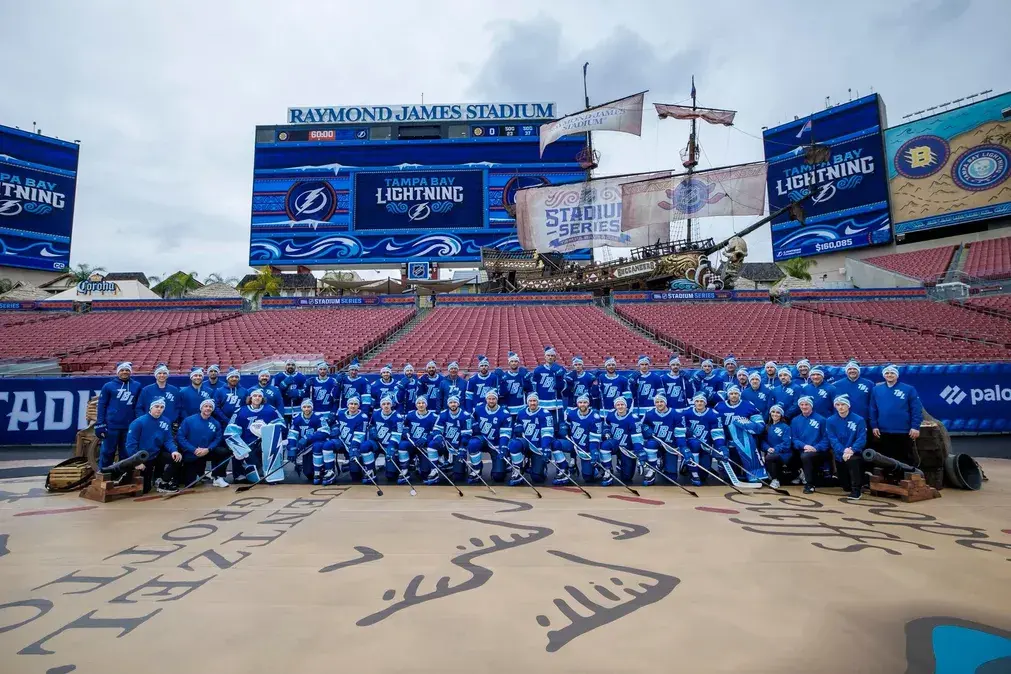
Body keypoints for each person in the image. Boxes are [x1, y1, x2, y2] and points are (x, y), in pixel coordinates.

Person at [224, 388, 286, 484]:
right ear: (250, 398)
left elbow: (281, 424)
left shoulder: (270, 409)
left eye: (260, 396)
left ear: (262, 398)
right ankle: (240, 474)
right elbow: (230, 430)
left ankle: (272, 474)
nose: (257, 398)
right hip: (247, 442)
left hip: (265, 442)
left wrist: (267, 429)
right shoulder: (241, 411)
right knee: (239, 454)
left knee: (273, 449)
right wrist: (238, 447)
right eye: (255, 396)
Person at [869, 365, 923, 467]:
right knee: (886, 459)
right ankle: (889, 480)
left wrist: (915, 427)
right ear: (884, 375)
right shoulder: (876, 390)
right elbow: (873, 409)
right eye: (887, 373)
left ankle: (904, 479)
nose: (889, 375)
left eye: (892, 373)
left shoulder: (908, 389)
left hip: (903, 430)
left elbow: (916, 409)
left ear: (897, 375)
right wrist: (874, 425)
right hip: (883, 431)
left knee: (904, 458)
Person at [124, 398, 179, 493]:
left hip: (156, 454)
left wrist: (174, 450)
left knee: (177, 458)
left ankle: (163, 482)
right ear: (151, 407)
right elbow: (130, 444)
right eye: (156, 406)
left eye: (162, 407)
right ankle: (151, 480)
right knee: (145, 490)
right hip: (142, 458)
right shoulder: (138, 422)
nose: (159, 409)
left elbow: (168, 439)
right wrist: (137, 462)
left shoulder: (166, 421)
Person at [96, 362, 144, 470]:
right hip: (111, 425)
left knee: (126, 454)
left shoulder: (137, 386)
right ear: (118, 372)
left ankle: (123, 477)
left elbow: (139, 406)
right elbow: (101, 405)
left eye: (127, 370)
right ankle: (103, 475)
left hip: (129, 426)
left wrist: (139, 422)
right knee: (107, 452)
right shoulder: (108, 386)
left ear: (130, 372)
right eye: (122, 370)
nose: (124, 372)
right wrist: (100, 424)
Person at [715, 385, 767, 483]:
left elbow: (760, 426)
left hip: (745, 441)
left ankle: (755, 474)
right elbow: (715, 425)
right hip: (728, 441)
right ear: (728, 395)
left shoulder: (748, 405)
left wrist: (750, 425)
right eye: (731, 394)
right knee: (730, 475)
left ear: (739, 395)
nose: (733, 396)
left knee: (750, 463)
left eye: (736, 394)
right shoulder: (719, 406)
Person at [176, 399, 228, 488]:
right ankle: (192, 474)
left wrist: (208, 449)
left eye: (210, 407)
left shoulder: (216, 423)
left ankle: (217, 477)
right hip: (192, 454)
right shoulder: (189, 420)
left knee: (224, 452)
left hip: (206, 452)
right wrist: (194, 449)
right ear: (201, 408)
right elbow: (180, 437)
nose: (208, 408)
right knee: (190, 484)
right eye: (206, 406)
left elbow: (217, 439)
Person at [554, 394, 602, 485]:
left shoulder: (595, 417)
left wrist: (593, 451)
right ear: (577, 403)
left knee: (588, 478)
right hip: (573, 443)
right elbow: (566, 424)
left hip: (586, 448)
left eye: (584, 402)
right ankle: (564, 468)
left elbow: (594, 439)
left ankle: (597, 467)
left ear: (588, 403)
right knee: (555, 444)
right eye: (580, 402)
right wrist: (564, 428)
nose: (582, 404)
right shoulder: (572, 413)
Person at [508, 392, 555, 485]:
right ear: (527, 402)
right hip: (525, 443)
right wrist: (517, 429)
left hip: (538, 446)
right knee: (514, 444)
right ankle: (518, 470)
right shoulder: (521, 413)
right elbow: (516, 431)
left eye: (534, 401)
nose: (532, 403)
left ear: (538, 402)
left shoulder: (545, 414)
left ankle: (540, 466)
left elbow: (547, 434)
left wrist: (545, 448)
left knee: (537, 477)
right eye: (530, 401)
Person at [826, 395, 867, 500]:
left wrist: (852, 450)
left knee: (853, 462)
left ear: (848, 406)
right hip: (840, 454)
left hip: (854, 453)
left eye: (843, 404)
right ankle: (859, 481)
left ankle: (856, 490)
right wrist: (843, 450)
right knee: (845, 486)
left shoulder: (859, 420)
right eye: (838, 405)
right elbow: (832, 439)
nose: (841, 407)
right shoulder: (830, 420)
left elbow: (861, 438)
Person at [682, 393, 727, 486]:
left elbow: (717, 434)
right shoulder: (686, 412)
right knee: (695, 444)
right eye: (697, 401)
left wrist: (720, 446)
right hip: (691, 445)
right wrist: (685, 430)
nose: (699, 403)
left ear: (705, 403)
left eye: (702, 401)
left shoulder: (713, 414)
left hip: (706, 446)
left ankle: (697, 469)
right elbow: (678, 429)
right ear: (694, 402)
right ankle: (689, 466)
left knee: (703, 475)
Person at [469, 389, 512, 483]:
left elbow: (505, 434)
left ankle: (505, 464)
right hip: (482, 440)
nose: (491, 401)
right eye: (489, 398)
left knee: (498, 477)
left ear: (497, 399)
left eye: (493, 399)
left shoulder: (504, 413)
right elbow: (469, 417)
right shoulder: (479, 408)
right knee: (473, 443)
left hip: (496, 444)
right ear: (486, 399)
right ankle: (477, 469)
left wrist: (503, 448)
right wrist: (473, 424)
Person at [640, 393, 684, 486]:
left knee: (671, 477)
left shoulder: (676, 414)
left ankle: (662, 462)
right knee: (650, 444)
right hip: (655, 442)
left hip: (670, 445)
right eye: (657, 402)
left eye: (661, 401)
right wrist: (645, 428)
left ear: (665, 402)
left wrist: (682, 446)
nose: (659, 404)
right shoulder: (649, 414)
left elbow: (680, 433)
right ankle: (652, 468)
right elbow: (640, 426)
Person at [790, 396, 829, 494]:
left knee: (806, 456)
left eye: (806, 404)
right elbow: (794, 438)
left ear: (811, 406)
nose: (804, 407)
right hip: (801, 449)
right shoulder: (795, 420)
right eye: (802, 405)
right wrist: (804, 446)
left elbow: (826, 438)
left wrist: (816, 448)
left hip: (818, 451)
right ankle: (799, 475)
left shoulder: (821, 420)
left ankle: (810, 484)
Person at [288, 399, 333, 484]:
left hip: (318, 444)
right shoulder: (297, 418)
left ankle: (324, 469)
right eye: (304, 407)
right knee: (308, 473)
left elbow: (325, 432)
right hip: (305, 447)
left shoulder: (319, 417)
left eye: (308, 407)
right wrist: (292, 448)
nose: (306, 409)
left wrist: (307, 438)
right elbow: (292, 434)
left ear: (312, 407)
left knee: (318, 447)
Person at [430, 395, 472, 482]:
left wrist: (462, 447)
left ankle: (460, 466)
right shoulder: (443, 414)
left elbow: (466, 434)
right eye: (451, 402)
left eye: (455, 402)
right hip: (446, 444)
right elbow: (436, 429)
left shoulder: (465, 415)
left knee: (458, 477)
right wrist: (438, 437)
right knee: (432, 445)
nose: (453, 404)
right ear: (448, 404)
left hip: (458, 447)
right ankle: (434, 469)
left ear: (458, 403)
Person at [602, 397, 641, 487]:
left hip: (627, 448)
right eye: (618, 405)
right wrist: (606, 431)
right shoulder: (611, 415)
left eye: (622, 404)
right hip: (614, 444)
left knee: (627, 477)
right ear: (615, 406)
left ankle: (621, 461)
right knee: (604, 446)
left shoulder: (633, 418)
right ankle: (608, 469)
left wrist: (639, 451)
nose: (620, 406)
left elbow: (637, 437)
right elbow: (606, 426)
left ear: (626, 406)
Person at [363, 396, 403, 483]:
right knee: (365, 446)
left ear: (391, 405)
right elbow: (371, 425)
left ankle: (396, 468)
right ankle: (370, 471)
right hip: (377, 443)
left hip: (390, 445)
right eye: (384, 404)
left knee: (391, 476)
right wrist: (372, 430)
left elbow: (397, 435)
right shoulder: (376, 413)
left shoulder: (397, 417)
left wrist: (391, 447)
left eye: (388, 404)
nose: (386, 406)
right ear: (381, 405)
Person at [400, 396, 439, 485]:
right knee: (402, 445)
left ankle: (427, 468)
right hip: (412, 443)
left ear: (426, 404)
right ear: (416, 404)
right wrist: (405, 431)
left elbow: (436, 432)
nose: (421, 405)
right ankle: (405, 470)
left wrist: (426, 439)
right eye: (419, 403)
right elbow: (404, 427)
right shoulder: (410, 415)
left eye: (423, 403)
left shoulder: (434, 417)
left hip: (424, 445)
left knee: (425, 473)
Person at [333, 396, 368, 485]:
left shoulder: (362, 417)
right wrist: (335, 428)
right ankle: (329, 471)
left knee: (355, 476)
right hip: (342, 442)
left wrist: (354, 448)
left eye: (355, 404)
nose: (353, 406)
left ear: (358, 406)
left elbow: (359, 436)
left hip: (355, 445)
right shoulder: (340, 413)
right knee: (327, 445)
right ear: (348, 405)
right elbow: (334, 423)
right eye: (351, 404)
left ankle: (355, 466)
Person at [761, 405, 794, 490]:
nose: (775, 414)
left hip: (784, 453)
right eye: (773, 412)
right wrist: (768, 448)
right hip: (769, 452)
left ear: (781, 415)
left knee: (771, 457)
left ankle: (776, 480)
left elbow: (787, 443)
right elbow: (762, 441)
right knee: (769, 457)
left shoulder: (786, 427)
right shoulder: (767, 426)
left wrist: (775, 449)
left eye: (778, 412)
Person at [530, 346, 566, 422]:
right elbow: (534, 387)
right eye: (548, 355)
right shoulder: (538, 370)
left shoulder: (560, 369)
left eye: (552, 356)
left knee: (557, 425)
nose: (550, 357)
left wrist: (559, 380)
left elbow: (564, 387)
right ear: (545, 357)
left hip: (556, 402)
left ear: (555, 357)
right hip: (542, 402)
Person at [498, 353, 530, 417]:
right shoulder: (504, 376)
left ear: (518, 363)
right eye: (512, 361)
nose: (514, 363)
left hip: (521, 406)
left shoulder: (522, 375)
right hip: (508, 406)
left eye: (515, 361)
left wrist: (526, 380)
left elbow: (529, 390)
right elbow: (501, 393)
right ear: (509, 363)